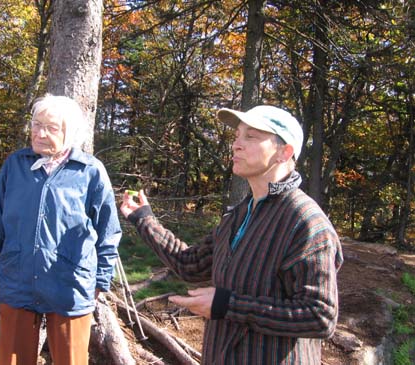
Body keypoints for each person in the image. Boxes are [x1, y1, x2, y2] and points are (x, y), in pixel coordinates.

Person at [120, 105, 343, 365]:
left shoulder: (305, 222)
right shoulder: (239, 214)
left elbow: (320, 317)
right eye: (237, 136)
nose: (236, 144)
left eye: (251, 136)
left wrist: (229, 305)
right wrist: (144, 219)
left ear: (285, 152)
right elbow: (190, 265)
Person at [0, 93, 122, 365]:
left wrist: (100, 282)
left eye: (51, 128)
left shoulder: (90, 172)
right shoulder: (14, 167)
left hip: (70, 287)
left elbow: (108, 233)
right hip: (17, 283)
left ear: (70, 132)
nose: (40, 133)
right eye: (35, 124)